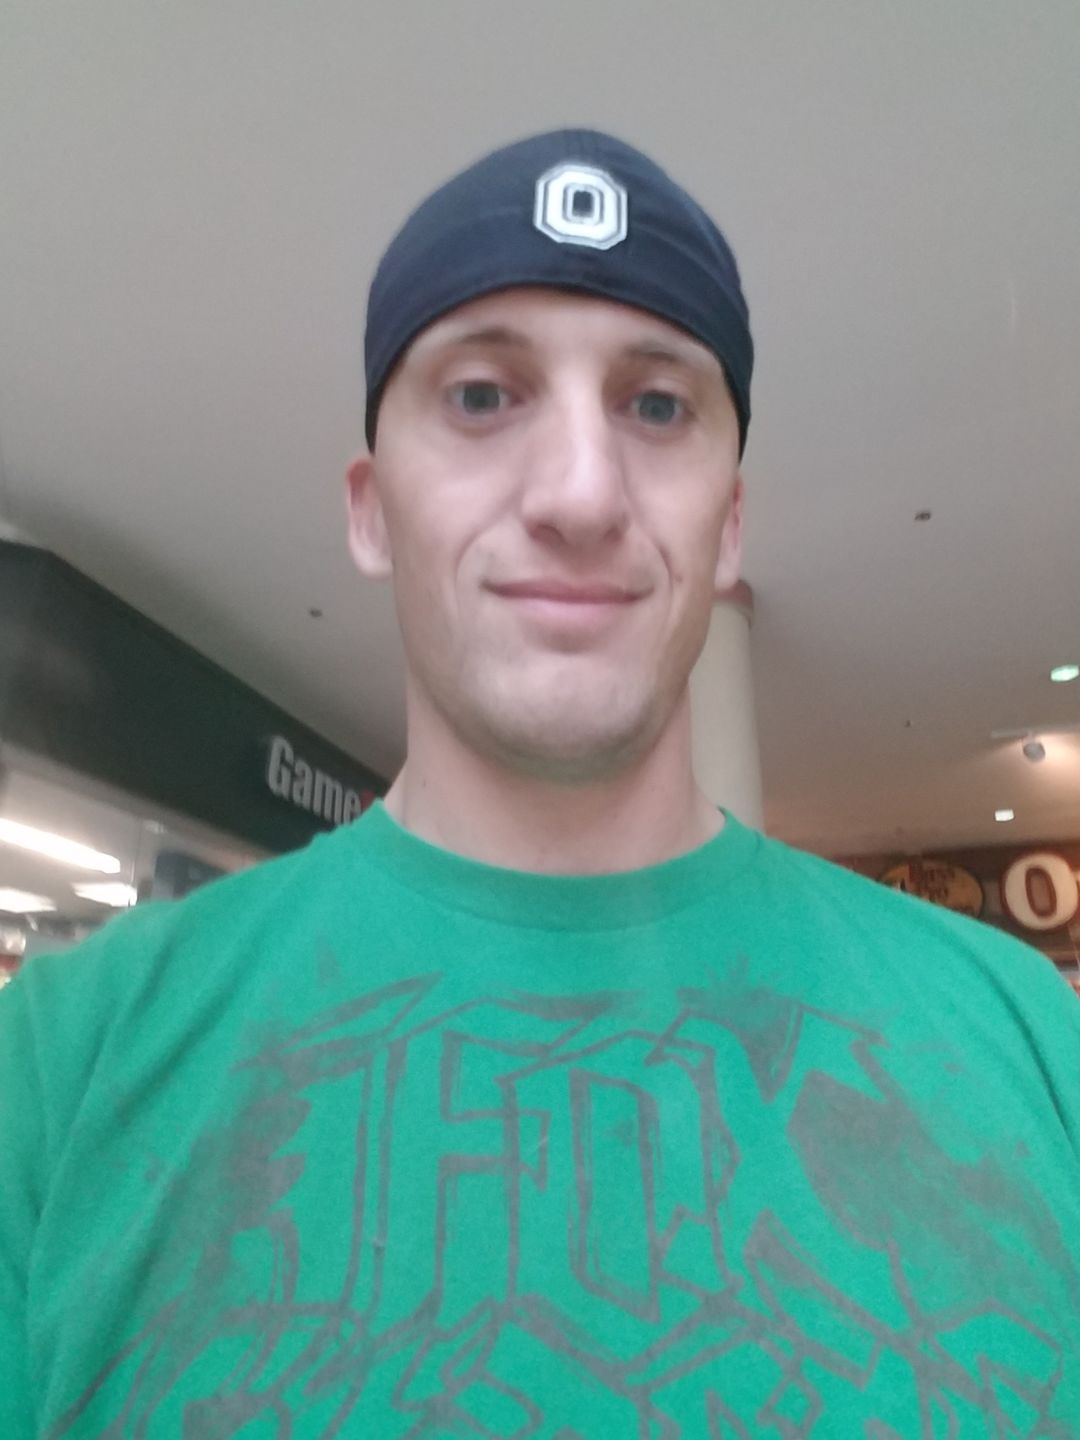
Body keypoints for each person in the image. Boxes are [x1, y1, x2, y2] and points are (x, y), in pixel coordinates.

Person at [1, 128, 1078, 1438]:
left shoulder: (1032, 1042)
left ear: (730, 525)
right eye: (481, 395)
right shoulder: (59, 1069)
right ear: (370, 509)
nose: (580, 492)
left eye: (657, 406)